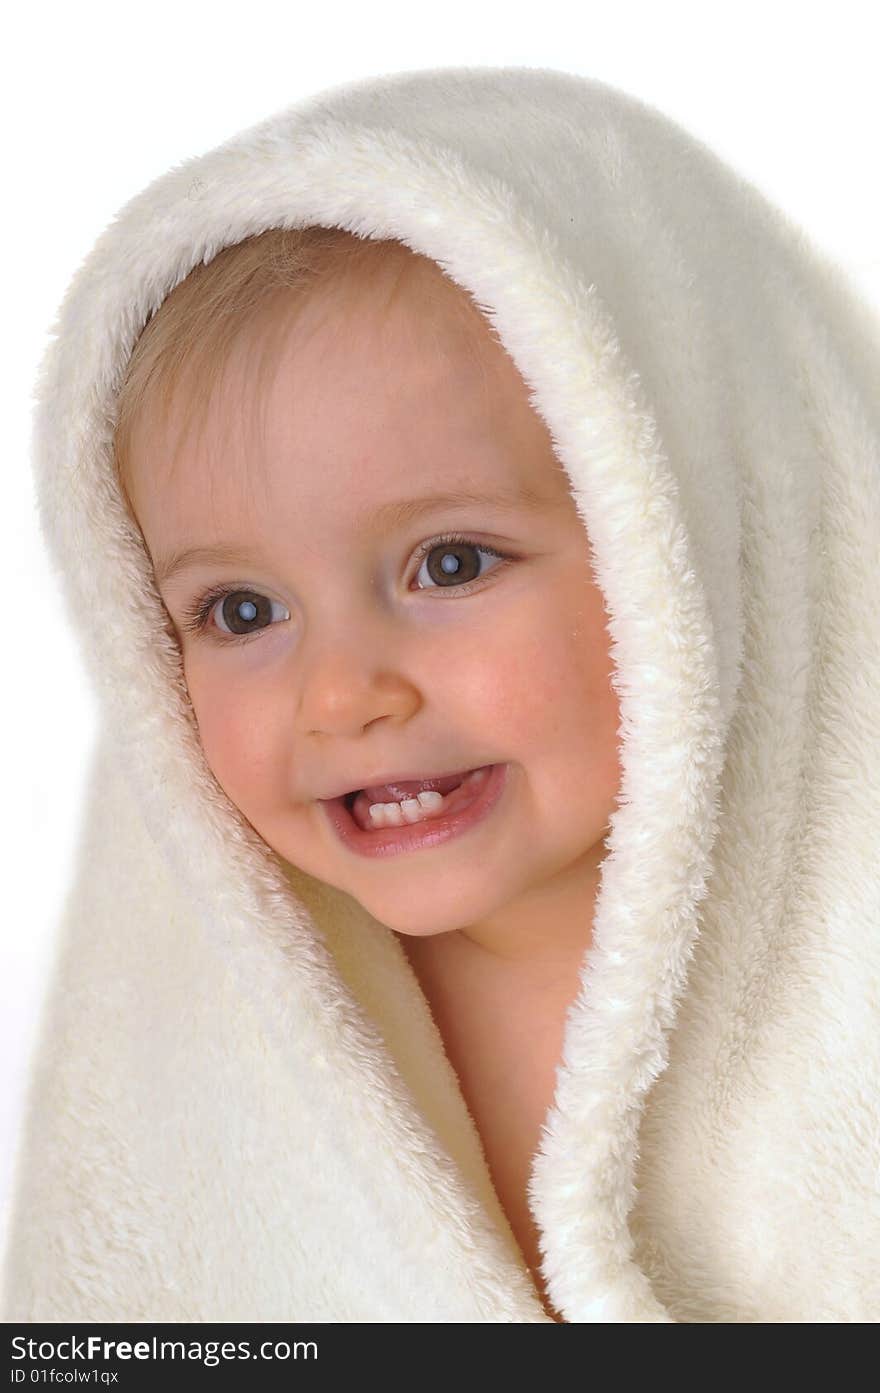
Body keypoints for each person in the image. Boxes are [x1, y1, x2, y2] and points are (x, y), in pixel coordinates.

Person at [3, 65, 879, 1324]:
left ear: (696, 545)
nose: (343, 694)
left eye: (450, 564)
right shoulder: (226, 1044)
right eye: (241, 611)